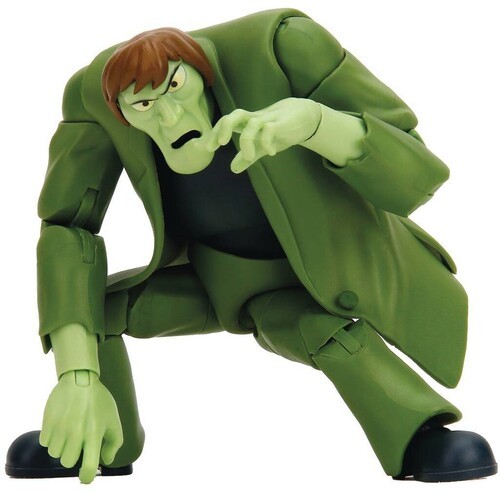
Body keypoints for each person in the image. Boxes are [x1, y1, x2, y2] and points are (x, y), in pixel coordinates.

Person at [5, 8, 497, 484]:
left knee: (327, 334)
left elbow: (417, 173)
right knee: (97, 310)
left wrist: (317, 125)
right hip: (214, 277)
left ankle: (417, 435)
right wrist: (77, 376)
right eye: (145, 106)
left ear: (202, 74)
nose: (170, 116)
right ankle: (97, 440)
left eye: (175, 87)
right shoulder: (92, 99)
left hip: (318, 272)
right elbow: (67, 226)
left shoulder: (284, 47)